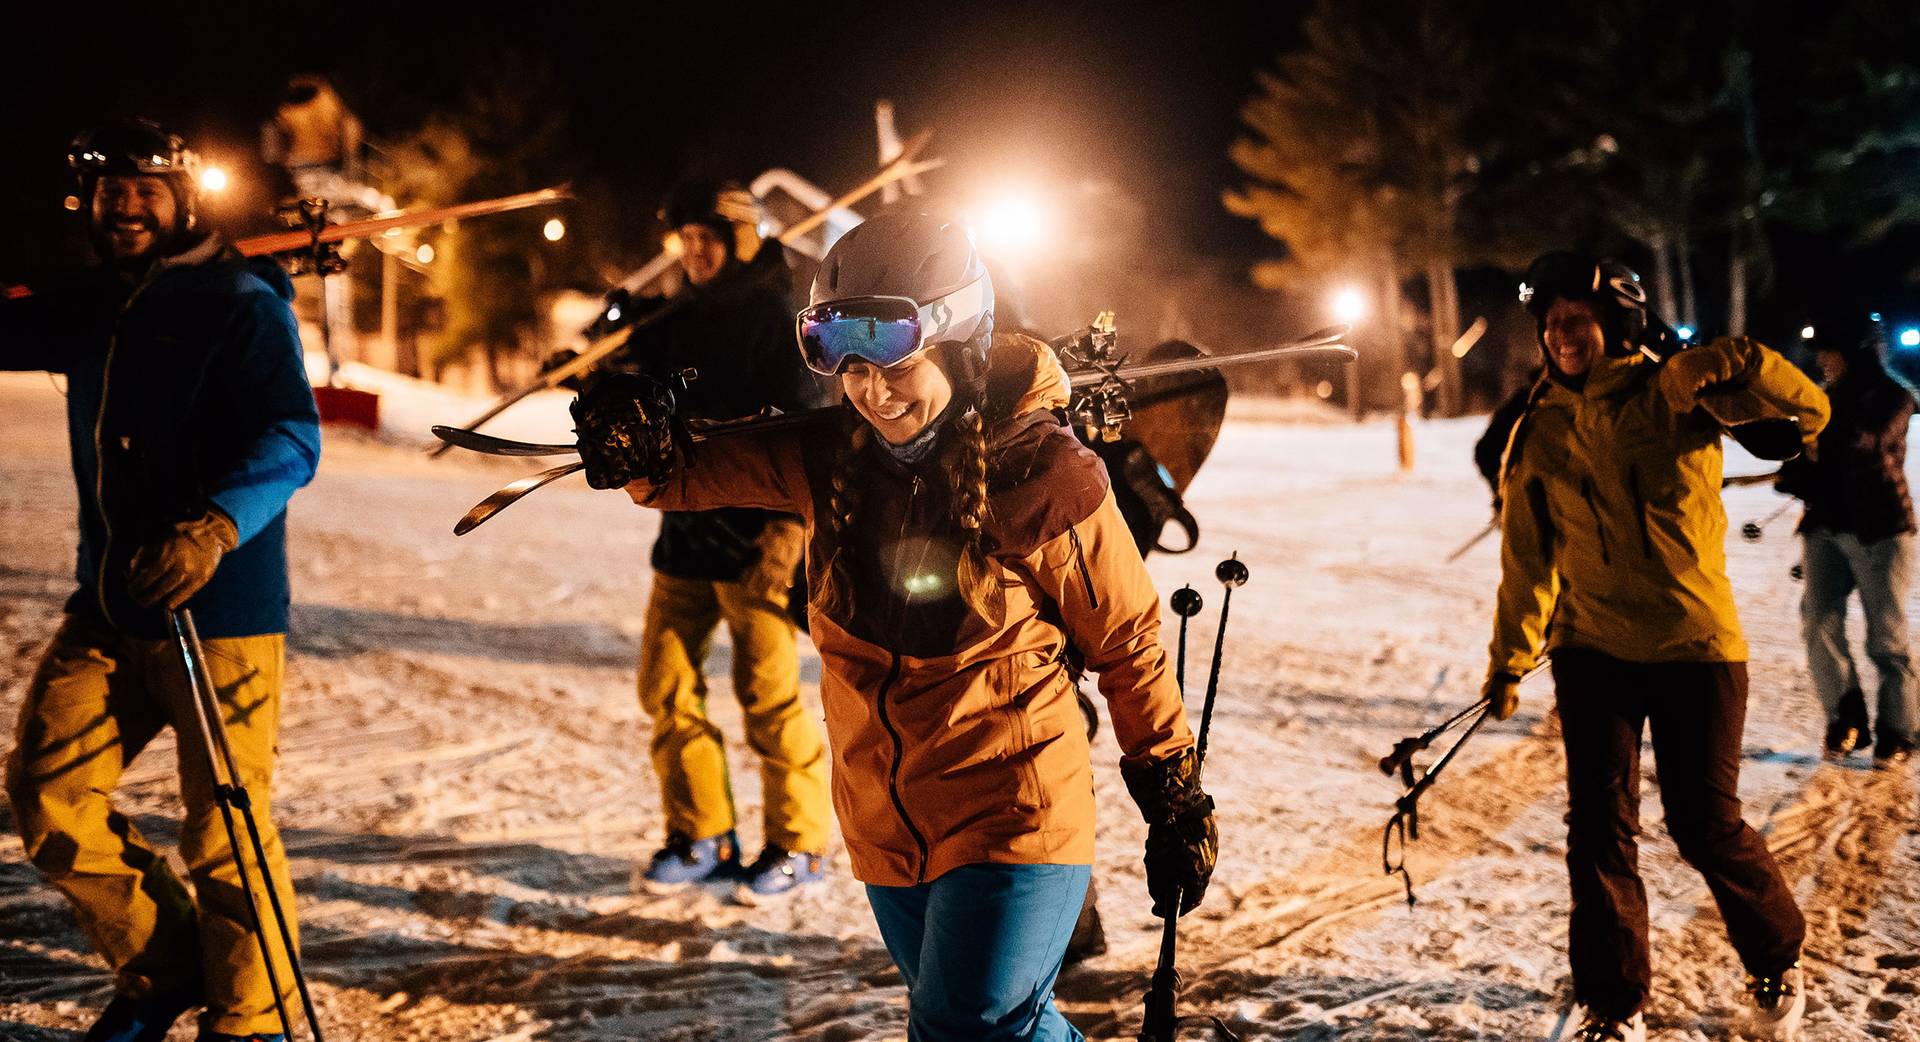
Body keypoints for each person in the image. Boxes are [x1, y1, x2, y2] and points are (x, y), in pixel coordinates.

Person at [570, 208, 1217, 1041]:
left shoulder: (1042, 472)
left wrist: (1172, 791)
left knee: (960, 1027)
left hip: (1014, 811)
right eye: (843, 364)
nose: (872, 391)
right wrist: (640, 439)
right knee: (1003, 1029)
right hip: (886, 829)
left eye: (894, 361)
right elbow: (687, 469)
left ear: (955, 341)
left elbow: (1127, 642)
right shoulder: (830, 454)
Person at [1, 120, 321, 1042]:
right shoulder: (97, 303)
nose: (126, 205)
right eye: (110, 193)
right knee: (48, 794)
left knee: (224, 828)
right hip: (110, 602)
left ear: (184, 198)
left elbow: (292, 436)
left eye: (145, 188)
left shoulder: (241, 297)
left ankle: (249, 1018)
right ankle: (167, 965)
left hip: (219, 609)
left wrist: (214, 528)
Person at [1484, 252, 1827, 1042]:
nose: (1564, 335)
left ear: (1617, 321)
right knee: (1598, 831)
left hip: (1694, 643)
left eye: (1578, 319)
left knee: (1704, 823)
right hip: (1591, 648)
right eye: (1553, 324)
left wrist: (1727, 359)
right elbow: (1527, 558)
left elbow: (1810, 413)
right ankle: (1614, 1003)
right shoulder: (1540, 428)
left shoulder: (1675, 394)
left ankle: (1776, 951)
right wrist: (1509, 654)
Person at [566, 179, 835, 895]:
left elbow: (807, 428)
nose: (693, 253)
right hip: (686, 534)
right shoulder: (679, 312)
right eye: (684, 241)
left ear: (741, 240)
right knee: (667, 685)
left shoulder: (777, 316)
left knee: (769, 697)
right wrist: (604, 347)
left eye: (706, 240)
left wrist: (788, 531)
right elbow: (630, 375)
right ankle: (703, 832)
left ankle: (800, 843)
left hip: (754, 540)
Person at [1776, 312, 1918, 767]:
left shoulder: (1895, 396)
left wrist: (1817, 441)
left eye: (1828, 351)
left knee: (1887, 640)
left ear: (1854, 352)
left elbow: (1869, 445)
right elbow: (1805, 458)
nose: (1820, 360)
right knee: (1818, 623)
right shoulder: (1821, 398)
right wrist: (1794, 468)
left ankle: (1900, 732)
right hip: (1826, 529)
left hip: (1881, 530)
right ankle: (1846, 717)